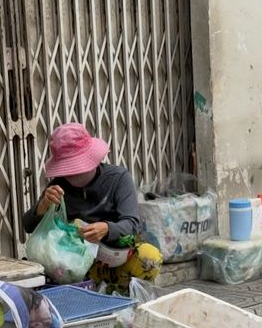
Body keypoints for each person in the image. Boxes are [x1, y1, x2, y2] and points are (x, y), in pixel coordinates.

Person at [23, 122, 162, 293]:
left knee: (150, 256)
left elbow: (131, 223)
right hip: (77, 264)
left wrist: (107, 228)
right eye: (69, 170)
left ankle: (123, 294)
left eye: (78, 167)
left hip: (116, 256)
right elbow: (28, 225)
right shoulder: (58, 186)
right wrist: (43, 205)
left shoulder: (118, 178)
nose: (73, 174)